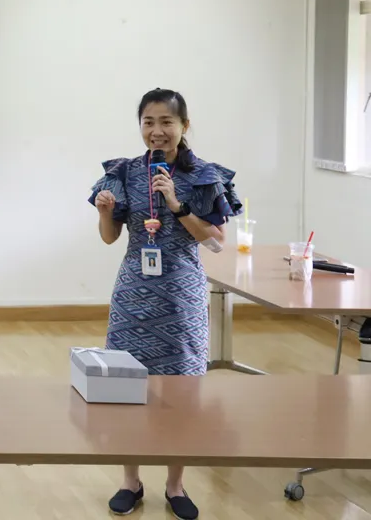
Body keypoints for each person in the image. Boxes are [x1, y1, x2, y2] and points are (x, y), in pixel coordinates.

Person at [88, 88, 242, 520]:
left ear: (184, 126)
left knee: (183, 394)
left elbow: (215, 242)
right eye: (148, 122)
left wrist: (176, 204)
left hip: (181, 295)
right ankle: (130, 481)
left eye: (166, 122)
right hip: (133, 293)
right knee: (126, 387)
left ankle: (176, 485)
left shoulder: (203, 176)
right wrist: (104, 212)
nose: (157, 131)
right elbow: (109, 237)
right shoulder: (122, 172)